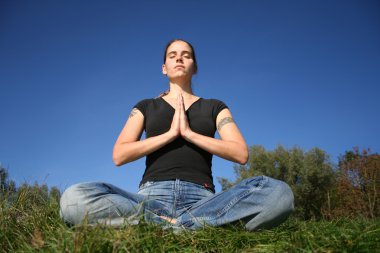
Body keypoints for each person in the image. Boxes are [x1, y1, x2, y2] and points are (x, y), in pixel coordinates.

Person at [60, 39, 294, 231]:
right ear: (164, 68)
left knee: (279, 194)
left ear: (194, 66)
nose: (179, 58)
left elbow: (240, 153)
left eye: (186, 55)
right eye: (172, 55)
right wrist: (170, 134)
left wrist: (189, 134)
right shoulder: (145, 106)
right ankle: (190, 227)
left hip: (203, 200)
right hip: (150, 198)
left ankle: (168, 226)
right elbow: (119, 154)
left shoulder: (215, 106)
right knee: (73, 198)